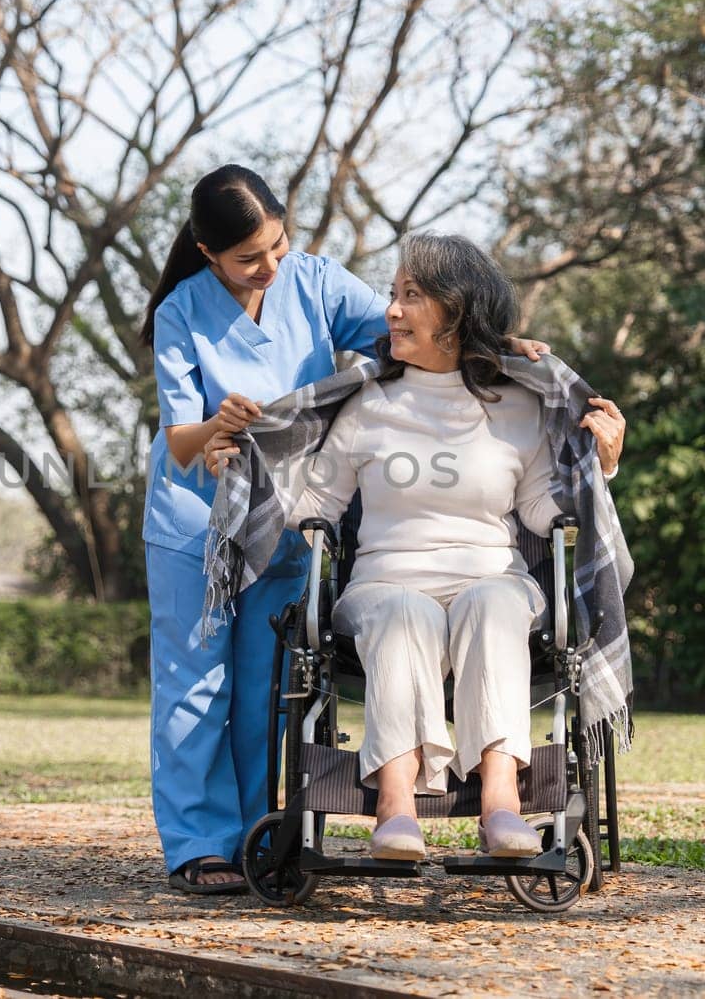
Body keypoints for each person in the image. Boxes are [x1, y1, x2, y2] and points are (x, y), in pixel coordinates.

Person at [142, 168, 553, 893]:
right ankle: (197, 844)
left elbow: (421, 337)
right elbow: (181, 442)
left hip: (288, 513)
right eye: (248, 258)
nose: (270, 265)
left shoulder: (315, 281)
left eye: (277, 242)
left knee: (262, 692)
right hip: (195, 524)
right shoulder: (181, 311)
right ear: (208, 251)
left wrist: (501, 344)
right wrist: (220, 425)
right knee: (196, 685)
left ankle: (251, 841)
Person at [204, 230, 625, 861]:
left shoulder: (517, 406)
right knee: (406, 612)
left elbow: (543, 510)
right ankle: (396, 808)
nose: (392, 311)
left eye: (411, 297)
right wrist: (242, 472)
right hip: (381, 587)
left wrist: (603, 465)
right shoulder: (369, 403)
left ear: (455, 314)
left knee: (498, 605)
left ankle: (501, 805)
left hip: (492, 578)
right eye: (394, 295)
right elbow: (319, 506)